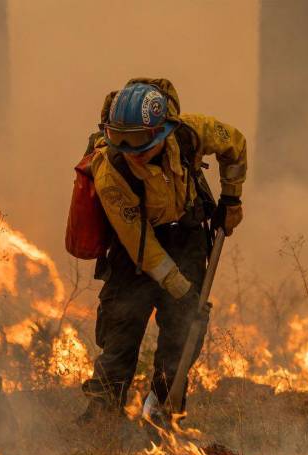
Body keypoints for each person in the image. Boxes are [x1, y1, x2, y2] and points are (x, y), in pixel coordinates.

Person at [78, 79, 247, 423]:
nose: (130, 149)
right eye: (120, 138)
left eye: (139, 140)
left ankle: (164, 413)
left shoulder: (189, 133)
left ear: (161, 130)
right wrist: (179, 287)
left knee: (185, 329)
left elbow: (236, 145)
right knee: (121, 329)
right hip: (134, 252)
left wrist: (231, 196)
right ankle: (102, 417)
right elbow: (142, 245)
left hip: (187, 235)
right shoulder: (110, 170)